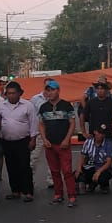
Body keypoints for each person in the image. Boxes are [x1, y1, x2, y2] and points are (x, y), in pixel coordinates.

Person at [37, 79, 78, 207]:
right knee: (54, 171)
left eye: (52, 90)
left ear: (58, 91)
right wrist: (44, 139)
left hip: (63, 144)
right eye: (47, 90)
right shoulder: (43, 107)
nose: (49, 93)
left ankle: (72, 196)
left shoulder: (66, 105)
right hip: (50, 144)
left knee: (67, 170)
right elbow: (41, 124)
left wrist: (67, 139)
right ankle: (58, 194)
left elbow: (72, 123)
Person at [0, 80, 39, 201]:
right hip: (7, 141)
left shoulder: (28, 105)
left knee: (24, 166)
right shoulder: (2, 106)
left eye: (13, 93)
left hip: (23, 141)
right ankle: (15, 191)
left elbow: (34, 123)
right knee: (11, 166)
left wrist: (33, 140)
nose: (11, 95)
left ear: (20, 93)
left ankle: (28, 192)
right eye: (9, 93)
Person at [78, 124, 112, 194]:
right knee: (77, 175)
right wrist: (79, 168)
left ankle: (104, 185)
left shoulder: (109, 144)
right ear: (95, 132)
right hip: (91, 166)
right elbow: (82, 156)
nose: (100, 135)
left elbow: (109, 162)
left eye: (103, 134)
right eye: (99, 133)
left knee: (103, 177)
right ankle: (91, 183)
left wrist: (99, 172)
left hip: (103, 168)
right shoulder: (88, 142)